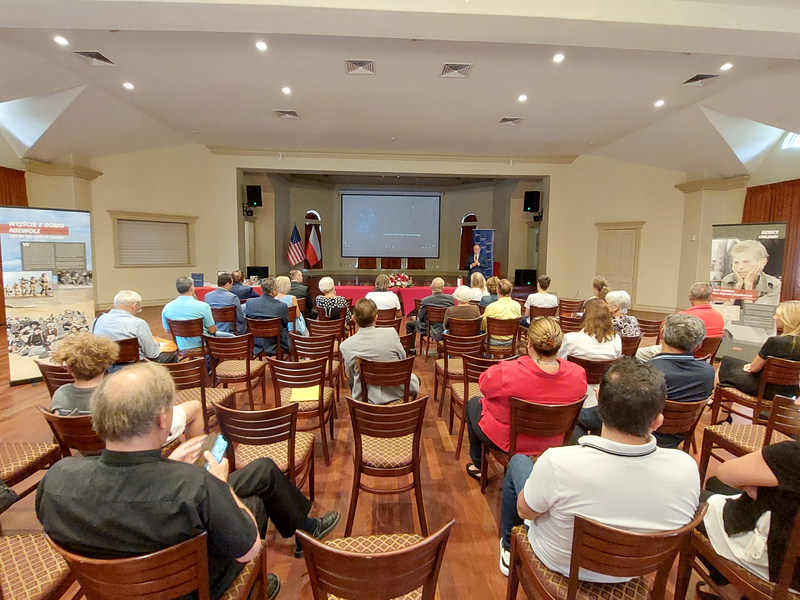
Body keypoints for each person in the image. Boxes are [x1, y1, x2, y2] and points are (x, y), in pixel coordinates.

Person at [36, 362, 341, 600]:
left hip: (110, 586)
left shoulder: (55, 480)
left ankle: (304, 528)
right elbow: (248, 548)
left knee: (261, 470)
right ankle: (254, 585)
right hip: (192, 586)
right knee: (253, 503)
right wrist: (220, 485)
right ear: (162, 420)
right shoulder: (197, 485)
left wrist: (168, 466)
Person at [497, 359, 700, 577]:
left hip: (559, 562)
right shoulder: (686, 467)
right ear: (657, 421)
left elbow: (525, 511)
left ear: (598, 402)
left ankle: (508, 547)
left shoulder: (557, 462)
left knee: (519, 462)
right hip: (636, 571)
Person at [465, 317, 587, 481]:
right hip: (556, 440)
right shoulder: (578, 374)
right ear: (558, 346)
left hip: (512, 442)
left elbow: (484, 386)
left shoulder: (508, 371)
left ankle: (478, 465)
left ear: (529, 343)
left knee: (473, 403)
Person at [576, 314, 714, 446]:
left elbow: (621, 409)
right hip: (675, 438)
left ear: (661, 334)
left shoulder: (647, 374)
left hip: (635, 433)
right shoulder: (708, 373)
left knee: (575, 416)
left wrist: (603, 398)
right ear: (698, 346)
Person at [49, 332, 205, 440]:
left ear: (68, 368)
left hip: (87, 451)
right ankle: (197, 460)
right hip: (133, 443)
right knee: (195, 406)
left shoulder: (60, 395)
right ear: (107, 364)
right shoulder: (120, 394)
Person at [695, 440, 800, 598]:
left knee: (689, 501)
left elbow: (726, 473)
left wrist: (753, 484)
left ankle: (728, 586)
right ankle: (725, 581)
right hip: (794, 568)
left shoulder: (792, 454)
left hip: (779, 566)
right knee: (714, 484)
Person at [716, 300, 800, 401]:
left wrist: (751, 366)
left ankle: (717, 404)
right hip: (788, 391)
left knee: (725, 364)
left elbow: (755, 368)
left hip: (763, 388)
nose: (774, 317)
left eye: (778, 315)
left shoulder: (775, 341)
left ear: (788, 319)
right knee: (729, 362)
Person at [340, 299, 419, 404]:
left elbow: (350, 376)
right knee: (416, 380)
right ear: (376, 318)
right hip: (396, 392)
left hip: (366, 397)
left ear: (354, 319)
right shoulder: (391, 333)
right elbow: (403, 360)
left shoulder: (346, 345)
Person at [636, 282, 725, 362]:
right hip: (704, 358)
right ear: (709, 298)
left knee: (637, 353)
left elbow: (663, 333)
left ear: (690, 297)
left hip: (679, 355)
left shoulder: (683, 317)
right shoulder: (719, 316)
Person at [557, 298, 622, 406]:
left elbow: (559, 363)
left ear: (585, 315)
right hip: (604, 394)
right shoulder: (616, 339)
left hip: (574, 393)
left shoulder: (571, 339)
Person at [93, 290, 178, 363]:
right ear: (134, 306)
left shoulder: (98, 319)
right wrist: (156, 344)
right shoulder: (138, 324)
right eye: (138, 307)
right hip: (134, 365)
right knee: (172, 353)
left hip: (106, 364)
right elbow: (153, 354)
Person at [162, 277, 227, 354]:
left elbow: (168, 331)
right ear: (191, 288)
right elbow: (212, 330)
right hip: (202, 344)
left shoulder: (167, 308)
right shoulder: (203, 306)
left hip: (180, 345)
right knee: (230, 336)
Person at [720, 239, 780, 305]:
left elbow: (754, 313)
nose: (740, 267)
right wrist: (737, 287)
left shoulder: (774, 285)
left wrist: (748, 286)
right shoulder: (728, 280)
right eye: (736, 262)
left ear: (763, 262)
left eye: (746, 262)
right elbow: (723, 311)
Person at [404, 277, 455, 353]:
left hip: (427, 328)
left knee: (409, 325)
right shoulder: (451, 299)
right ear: (443, 288)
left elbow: (420, 317)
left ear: (431, 287)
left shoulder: (426, 300)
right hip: (444, 328)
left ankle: (411, 349)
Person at [244, 277, 291, 357]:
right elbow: (285, 324)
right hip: (276, 343)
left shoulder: (250, 303)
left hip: (256, 343)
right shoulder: (281, 306)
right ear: (274, 292)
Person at [481, 279, 521, 347]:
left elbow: (483, 326)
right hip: (511, 340)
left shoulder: (490, 307)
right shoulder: (517, 305)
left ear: (497, 290)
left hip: (493, 340)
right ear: (511, 290)